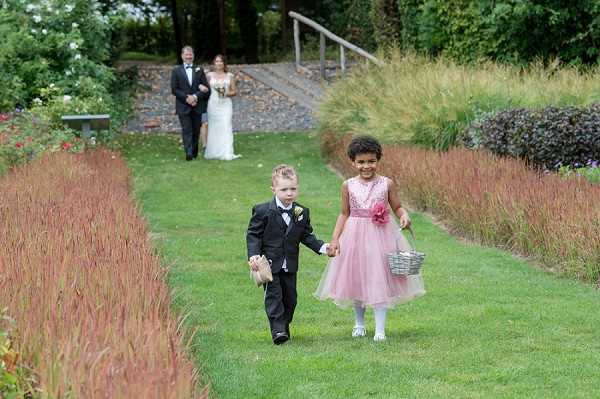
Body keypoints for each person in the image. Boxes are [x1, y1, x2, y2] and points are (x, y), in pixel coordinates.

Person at [315, 135, 425, 341]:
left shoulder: (387, 184)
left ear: (378, 160)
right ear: (353, 162)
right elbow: (344, 213)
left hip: (381, 236)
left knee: (378, 278)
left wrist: (404, 216)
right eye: (361, 162)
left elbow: (397, 207)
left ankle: (380, 330)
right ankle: (359, 323)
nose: (367, 166)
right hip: (355, 236)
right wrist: (336, 238)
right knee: (357, 278)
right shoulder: (347, 185)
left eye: (371, 161)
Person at [247, 165, 331, 345]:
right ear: (274, 189)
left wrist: (323, 247)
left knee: (291, 299)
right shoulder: (262, 211)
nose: (289, 193)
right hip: (269, 265)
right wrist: (253, 254)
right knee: (274, 297)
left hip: (290, 264)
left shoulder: (301, 212)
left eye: (293, 189)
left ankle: (284, 325)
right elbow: (253, 234)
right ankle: (278, 330)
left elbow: (306, 235)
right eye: (284, 189)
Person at [170, 45, 210, 161]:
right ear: (182, 56)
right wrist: (187, 98)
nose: (188, 56)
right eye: (186, 54)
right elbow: (174, 89)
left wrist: (195, 96)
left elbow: (206, 88)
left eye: (190, 54)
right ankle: (188, 153)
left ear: (193, 56)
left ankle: (194, 151)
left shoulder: (199, 70)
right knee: (186, 129)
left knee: (196, 130)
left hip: (197, 105)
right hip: (183, 105)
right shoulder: (176, 71)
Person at [204, 54, 240, 160]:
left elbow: (234, 92)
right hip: (213, 104)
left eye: (221, 61)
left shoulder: (230, 76)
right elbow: (205, 89)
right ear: (214, 63)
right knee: (214, 128)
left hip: (225, 105)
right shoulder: (209, 75)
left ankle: (227, 152)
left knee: (226, 126)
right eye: (217, 61)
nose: (219, 63)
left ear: (224, 63)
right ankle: (214, 152)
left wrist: (226, 93)